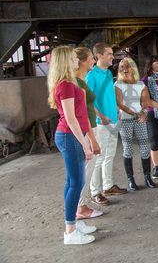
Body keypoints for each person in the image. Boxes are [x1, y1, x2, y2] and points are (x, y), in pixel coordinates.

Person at [47, 46, 96, 245]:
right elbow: (71, 118)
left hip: (72, 135)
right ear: (66, 61)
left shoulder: (68, 83)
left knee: (73, 182)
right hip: (70, 136)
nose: (77, 60)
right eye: (74, 58)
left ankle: (74, 222)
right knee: (76, 183)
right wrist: (85, 143)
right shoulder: (66, 85)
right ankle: (70, 231)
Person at [86, 43, 127, 206]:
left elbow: (109, 95)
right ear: (99, 56)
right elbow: (87, 101)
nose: (112, 56)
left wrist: (116, 108)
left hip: (113, 119)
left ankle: (108, 186)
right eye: (109, 54)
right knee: (99, 157)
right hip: (101, 123)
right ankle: (95, 192)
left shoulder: (109, 74)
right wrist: (101, 116)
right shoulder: (92, 76)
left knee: (109, 154)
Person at [114, 57, 156, 190]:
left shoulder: (140, 85)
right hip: (125, 120)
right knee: (128, 149)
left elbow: (145, 102)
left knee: (145, 148)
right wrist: (136, 114)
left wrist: (143, 113)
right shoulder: (117, 85)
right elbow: (119, 104)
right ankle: (131, 180)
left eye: (127, 67)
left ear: (133, 68)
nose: (124, 70)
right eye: (122, 67)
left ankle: (147, 177)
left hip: (140, 119)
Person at [74, 47, 104, 219]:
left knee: (87, 168)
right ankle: (81, 207)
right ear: (82, 61)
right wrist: (92, 139)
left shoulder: (82, 80)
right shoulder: (77, 83)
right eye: (91, 58)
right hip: (87, 129)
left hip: (90, 127)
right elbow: (81, 113)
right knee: (85, 169)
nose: (93, 60)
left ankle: (81, 204)